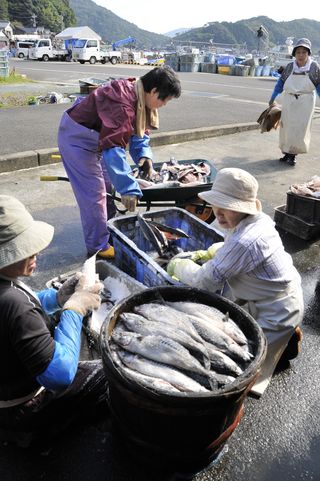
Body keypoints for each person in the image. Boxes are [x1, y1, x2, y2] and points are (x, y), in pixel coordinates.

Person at [167, 168, 304, 396]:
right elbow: (231, 250)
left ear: (242, 209)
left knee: (246, 366)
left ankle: (285, 338)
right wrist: (210, 255)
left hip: (277, 308)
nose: (218, 215)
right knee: (235, 331)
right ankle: (284, 340)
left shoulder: (246, 240)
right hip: (264, 294)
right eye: (216, 208)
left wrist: (180, 265)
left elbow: (203, 282)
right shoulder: (251, 222)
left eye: (226, 210)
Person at [0, 195, 108, 448]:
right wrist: (74, 309)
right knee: (107, 374)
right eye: (25, 248)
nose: (36, 251)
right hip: (23, 409)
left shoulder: (7, 289)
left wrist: (57, 298)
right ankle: (45, 436)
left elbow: (26, 303)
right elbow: (59, 376)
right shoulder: (14, 305)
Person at [57, 66, 181, 259]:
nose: (164, 104)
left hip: (99, 138)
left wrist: (144, 156)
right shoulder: (121, 101)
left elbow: (137, 132)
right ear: (154, 91)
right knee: (94, 193)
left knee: (107, 185)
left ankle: (107, 226)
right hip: (77, 139)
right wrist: (129, 189)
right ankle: (98, 247)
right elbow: (113, 148)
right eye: (164, 99)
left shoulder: (138, 92)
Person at [269, 38, 320, 166]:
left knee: (300, 128)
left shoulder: (314, 67)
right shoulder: (290, 66)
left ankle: (293, 154)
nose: (301, 55)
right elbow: (280, 83)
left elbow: (319, 86)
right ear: (294, 54)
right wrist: (273, 97)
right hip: (289, 100)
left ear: (308, 53)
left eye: (304, 52)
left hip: (306, 102)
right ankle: (287, 153)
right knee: (287, 127)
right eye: (298, 52)